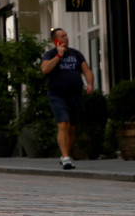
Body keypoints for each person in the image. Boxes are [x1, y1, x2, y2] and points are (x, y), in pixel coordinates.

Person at [41, 27, 94, 170]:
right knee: (63, 124)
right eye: (62, 36)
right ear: (56, 40)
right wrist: (58, 56)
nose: (66, 38)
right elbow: (45, 69)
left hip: (75, 95)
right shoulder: (50, 54)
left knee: (71, 128)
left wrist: (90, 84)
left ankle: (66, 155)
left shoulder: (76, 54)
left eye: (66, 35)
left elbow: (86, 70)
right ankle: (65, 158)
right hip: (58, 95)